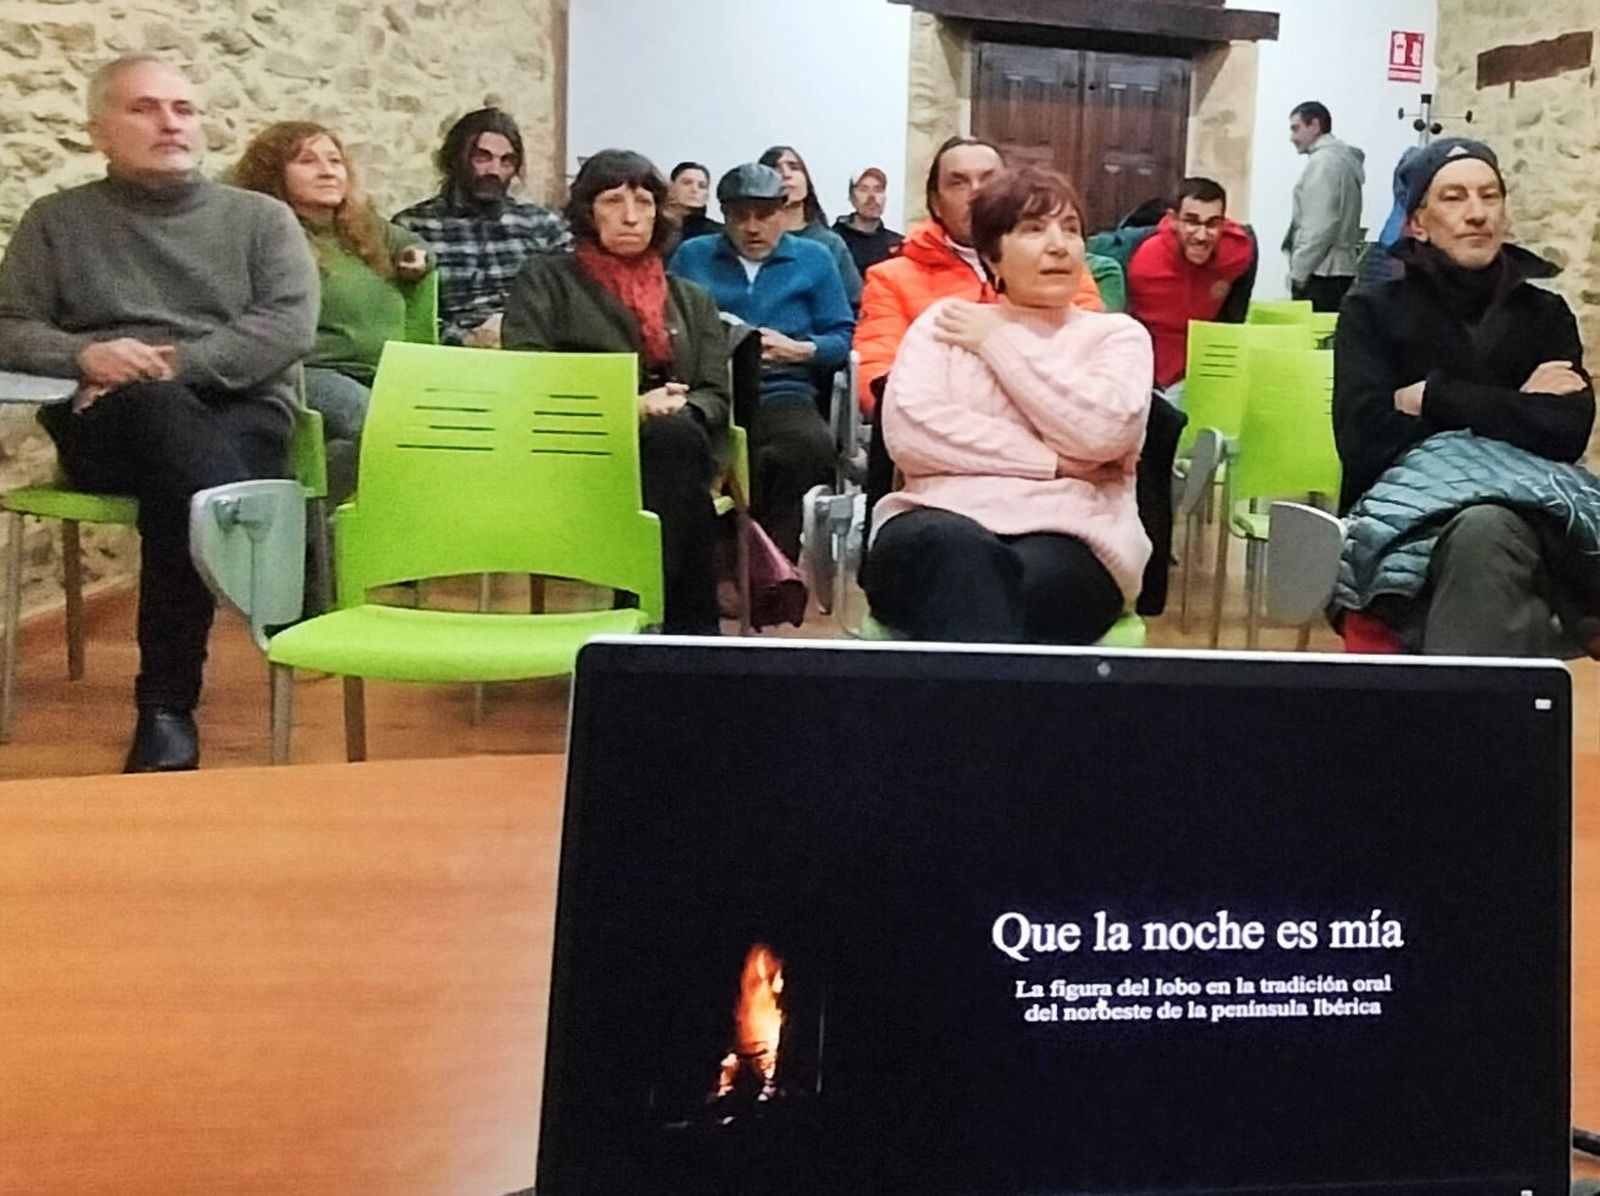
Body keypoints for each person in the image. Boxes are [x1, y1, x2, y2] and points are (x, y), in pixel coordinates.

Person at [0, 55, 317, 772]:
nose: (171, 122)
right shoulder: (57, 222)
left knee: (181, 483)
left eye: (183, 108)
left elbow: (285, 326)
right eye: (145, 108)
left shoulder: (260, 219)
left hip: (241, 410)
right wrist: (87, 357)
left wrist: (166, 366)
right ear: (99, 130)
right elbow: (9, 325)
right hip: (110, 420)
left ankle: (167, 709)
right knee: (166, 431)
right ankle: (263, 559)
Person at [862, 167, 1152, 644]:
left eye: (1072, 229)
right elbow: (914, 434)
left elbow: (1104, 432)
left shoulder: (1116, 336)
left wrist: (1001, 342)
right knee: (959, 555)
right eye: (1034, 229)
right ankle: (1001, 713)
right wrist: (1057, 462)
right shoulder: (945, 325)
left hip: (1072, 535)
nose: (1059, 245)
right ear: (992, 255)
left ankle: (962, 715)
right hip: (934, 522)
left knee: (1016, 585)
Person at [1333, 138, 1596, 655]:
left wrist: (1435, 396)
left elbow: (1566, 431)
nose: (1477, 213)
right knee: (1485, 533)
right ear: (1417, 223)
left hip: (1525, 524)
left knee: (1489, 530)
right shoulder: (1372, 311)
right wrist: (1514, 405)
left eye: (1489, 195)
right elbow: (1365, 438)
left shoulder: (1545, 315)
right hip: (1403, 523)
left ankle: (1453, 721)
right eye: (1454, 198)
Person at [503, 150, 729, 635]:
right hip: (577, 453)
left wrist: (680, 406)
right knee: (679, 461)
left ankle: (643, 615)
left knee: (676, 440)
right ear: (588, 210)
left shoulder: (691, 298)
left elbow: (715, 394)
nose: (631, 216)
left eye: (644, 202)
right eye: (612, 201)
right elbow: (528, 376)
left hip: (675, 445)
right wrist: (628, 408)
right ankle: (683, 635)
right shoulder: (545, 281)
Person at [232, 121, 430, 501]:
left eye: (335, 161)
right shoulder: (270, 235)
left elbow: (415, 244)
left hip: (386, 373)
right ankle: (303, 534)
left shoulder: (361, 227)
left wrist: (416, 258)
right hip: (311, 371)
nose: (327, 170)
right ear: (274, 174)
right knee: (381, 428)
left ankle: (316, 523)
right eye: (307, 161)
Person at [669, 163, 854, 559]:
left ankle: (769, 563)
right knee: (686, 448)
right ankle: (714, 557)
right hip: (709, 389)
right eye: (740, 216)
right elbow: (667, 323)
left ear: (783, 213)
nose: (753, 228)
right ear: (724, 216)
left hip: (782, 388)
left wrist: (800, 349)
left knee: (807, 448)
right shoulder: (692, 256)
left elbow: (843, 337)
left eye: (765, 215)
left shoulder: (815, 259)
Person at [854, 136, 1103, 417]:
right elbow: (875, 375)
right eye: (958, 182)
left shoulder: (1058, 265)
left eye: (990, 179)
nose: (976, 192)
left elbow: (1089, 355)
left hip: (1051, 410)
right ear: (936, 203)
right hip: (936, 421)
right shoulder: (890, 278)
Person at [394, 108, 570, 347]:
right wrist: (465, 339)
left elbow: (570, 303)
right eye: (482, 157)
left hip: (533, 351)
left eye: (506, 161)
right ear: (456, 159)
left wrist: (519, 333)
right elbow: (402, 311)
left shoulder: (543, 226)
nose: (494, 171)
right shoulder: (414, 227)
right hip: (451, 359)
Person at [1125, 177, 1257, 390]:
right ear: (1173, 220)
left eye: (1212, 223)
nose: (1202, 235)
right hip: (1149, 373)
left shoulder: (1238, 252)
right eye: (1192, 221)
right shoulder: (1143, 262)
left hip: (1208, 371)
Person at [1284, 101, 1365, 312]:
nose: (1292, 137)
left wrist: (1299, 272)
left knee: (1310, 340)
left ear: (1315, 125)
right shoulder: (1342, 160)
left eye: (1296, 128)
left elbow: (1320, 226)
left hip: (1321, 272)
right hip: (1340, 270)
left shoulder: (1324, 164)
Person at [758, 145, 862, 307]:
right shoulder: (751, 239)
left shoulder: (830, 244)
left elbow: (855, 305)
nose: (786, 174)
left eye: (794, 167)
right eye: (776, 168)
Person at [832, 167, 903, 276]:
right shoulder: (834, 242)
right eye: (863, 189)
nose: (872, 197)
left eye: (878, 190)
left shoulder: (897, 245)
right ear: (851, 197)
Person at [665, 161, 722, 242]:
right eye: (687, 183)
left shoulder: (718, 234)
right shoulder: (654, 227)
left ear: (707, 196)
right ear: (671, 187)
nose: (694, 189)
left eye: (702, 186)